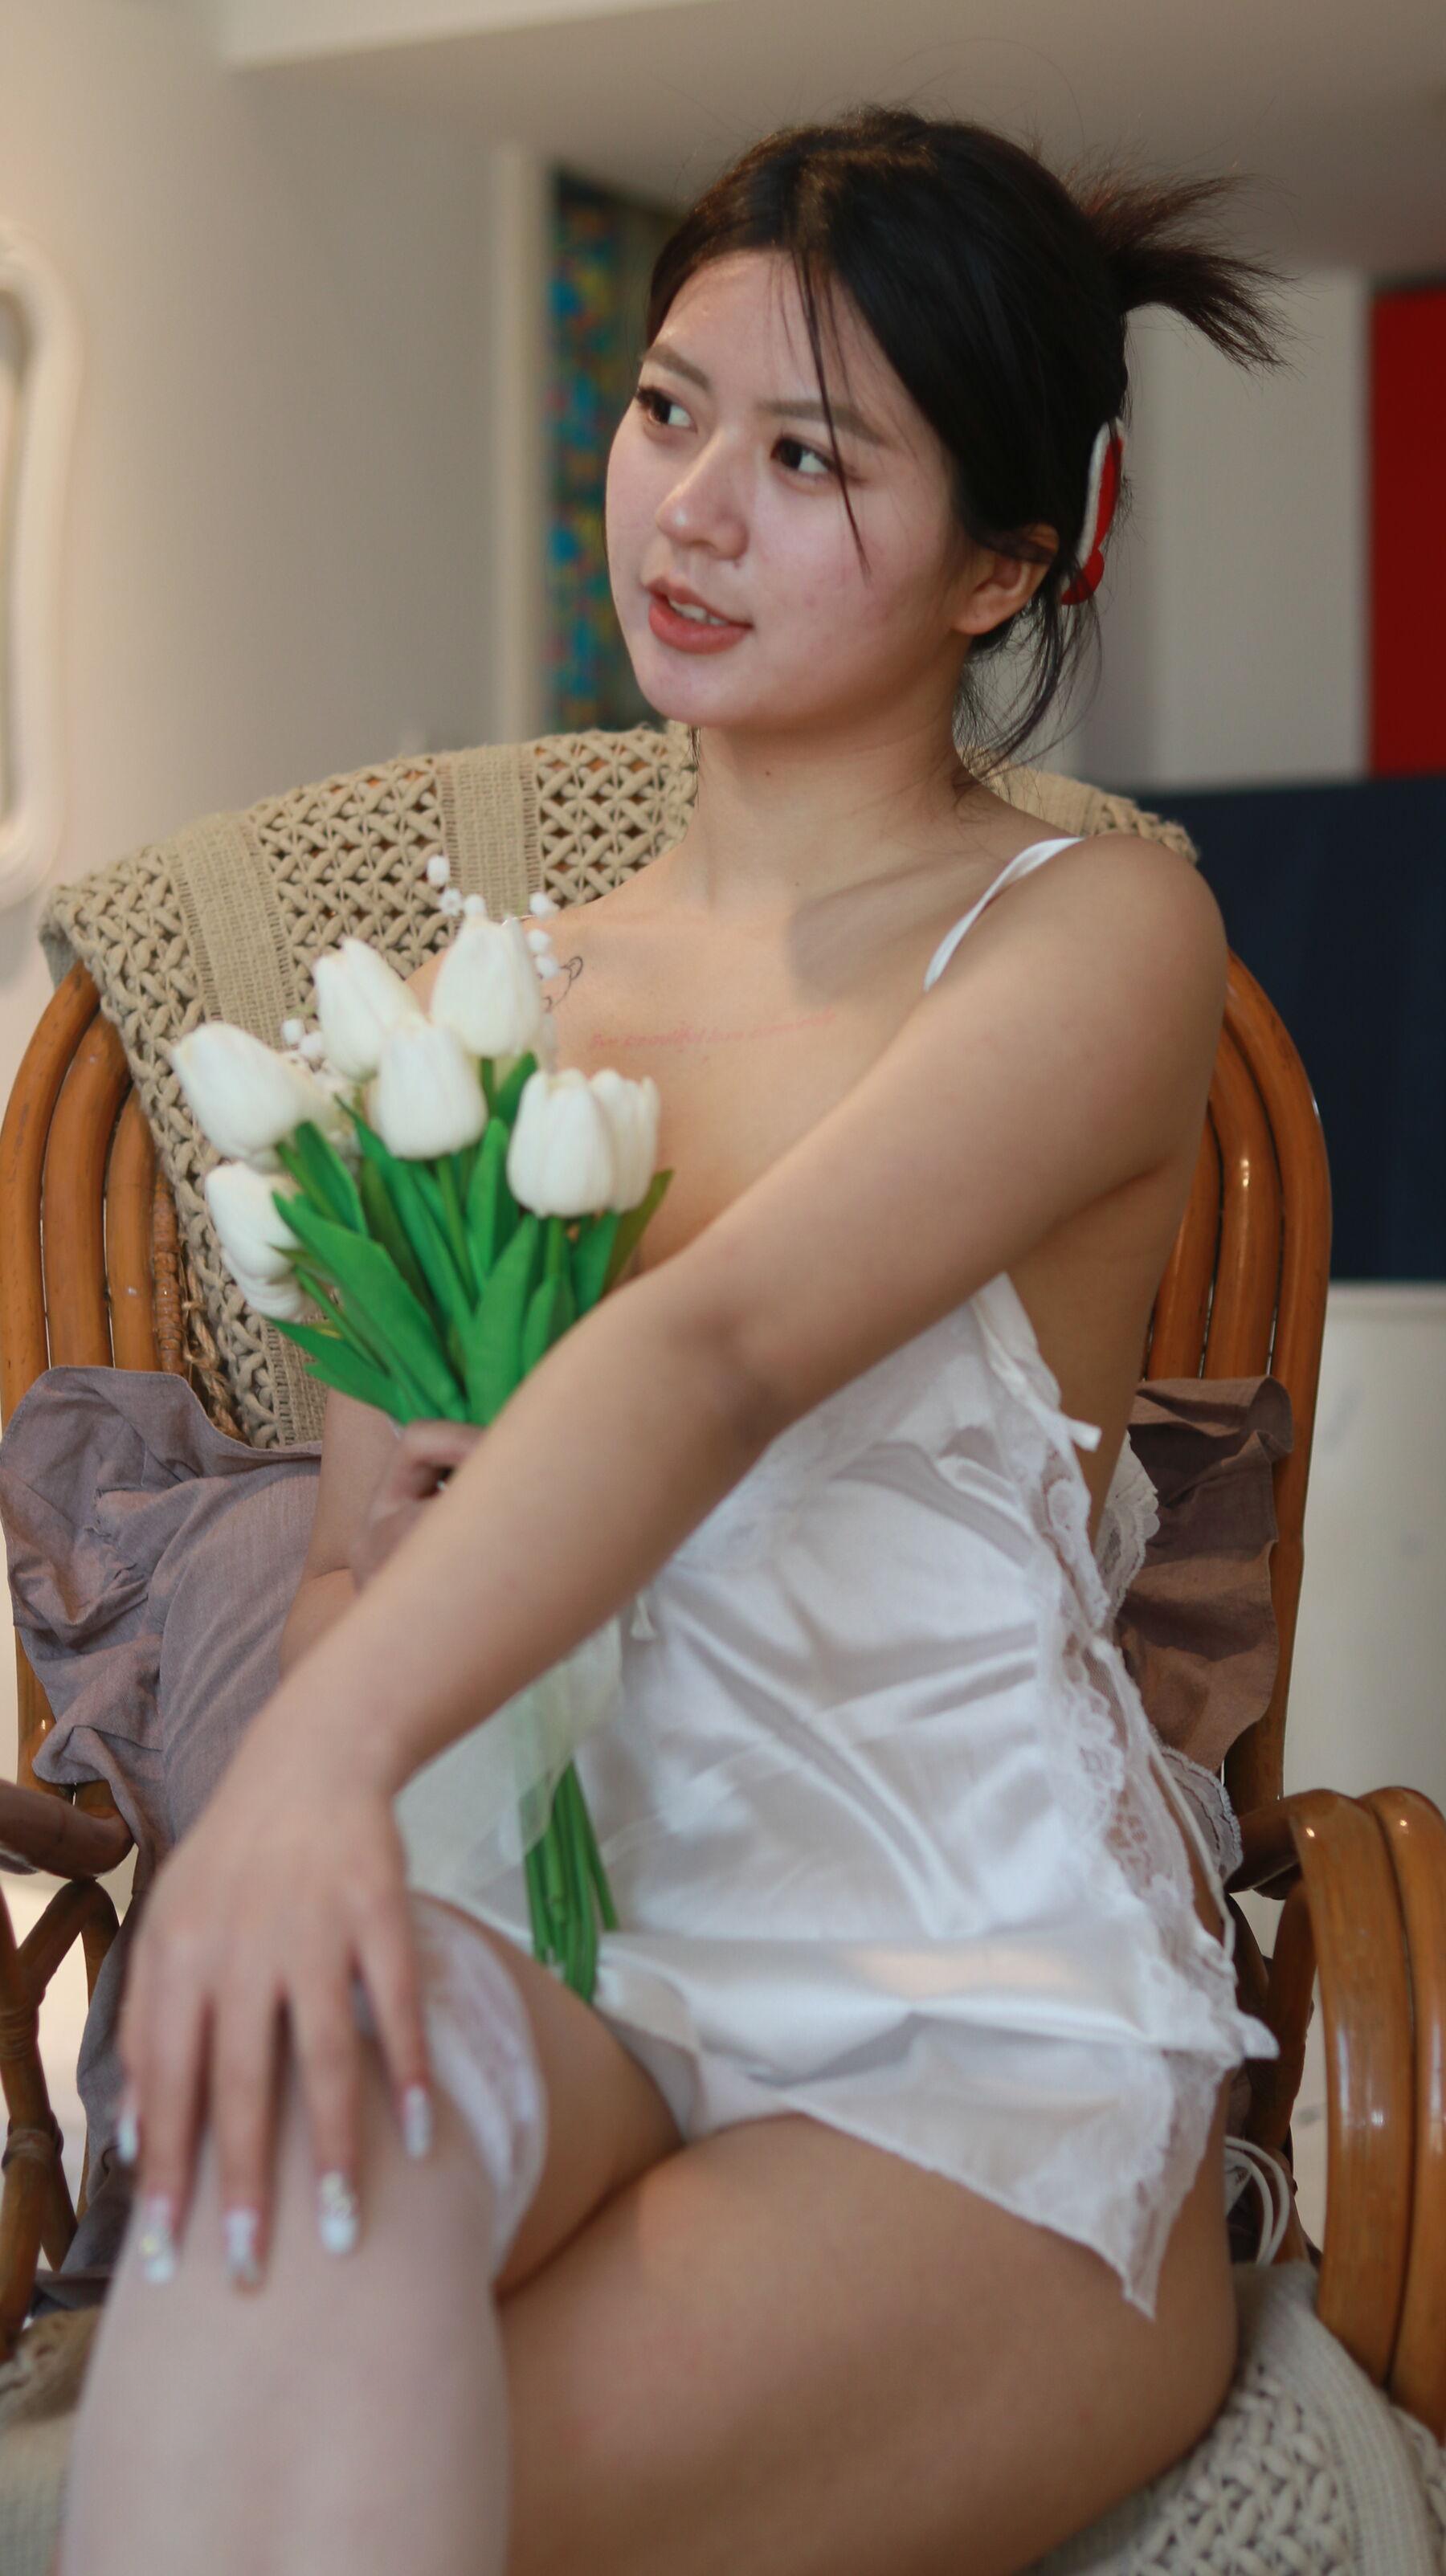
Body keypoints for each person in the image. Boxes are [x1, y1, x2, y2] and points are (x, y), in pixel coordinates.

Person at [56, 103, 1288, 2576]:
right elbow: (352, 1587)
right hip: (561, 1939)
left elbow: (715, 1355)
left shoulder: (1093, 935)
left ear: (1009, 563)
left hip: (950, 2009)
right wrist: (360, 1632)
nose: (691, 510)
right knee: (286, 2192)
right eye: (666, 412)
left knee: (324, 2495)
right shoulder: (480, 1013)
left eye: (810, 456)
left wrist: (316, 1773)